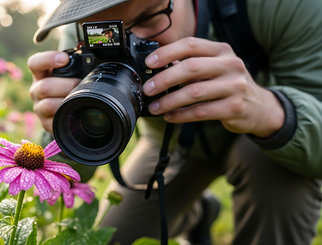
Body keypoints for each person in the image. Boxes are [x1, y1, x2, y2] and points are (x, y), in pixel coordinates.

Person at [27, 0, 322, 244]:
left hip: (262, 141)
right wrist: (61, 125)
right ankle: (199, 212)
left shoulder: (283, 6)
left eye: (146, 20)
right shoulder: (80, 25)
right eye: (107, 34)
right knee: (114, 239)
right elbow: (68, 176)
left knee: (279, 185)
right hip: (167, 145)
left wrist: (273, 113)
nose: (127, 46)